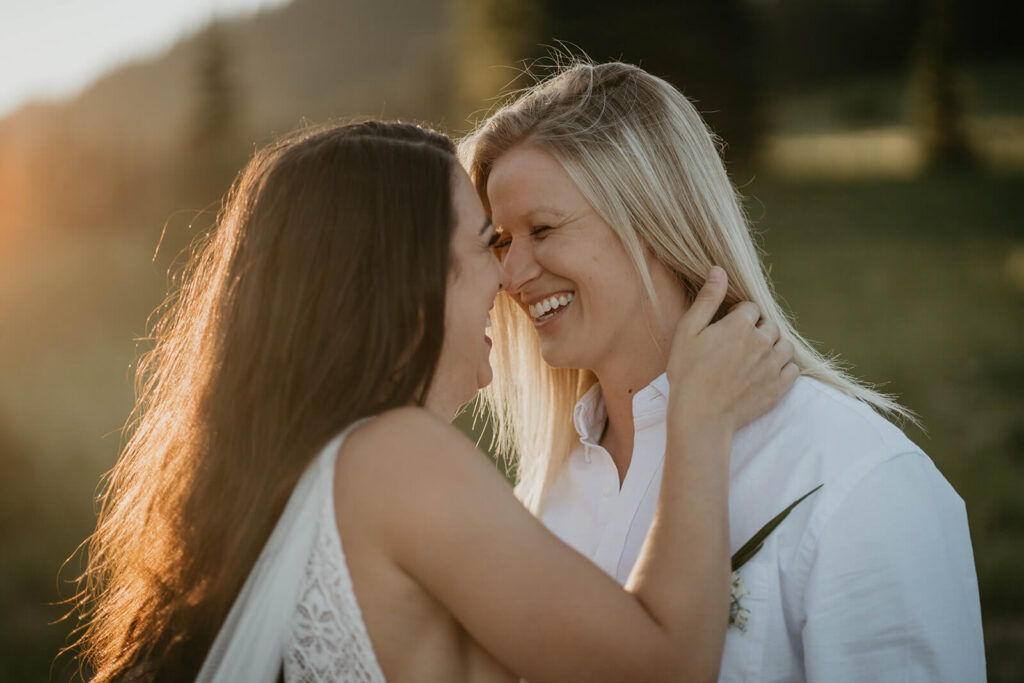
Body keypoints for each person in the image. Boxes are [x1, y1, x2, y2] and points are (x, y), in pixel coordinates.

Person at [74, 120, 796, 682]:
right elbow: (661, 670)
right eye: (489, 242)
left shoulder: (295, 476)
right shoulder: (396, 460)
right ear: (405, 273)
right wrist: (698, 417)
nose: (510, 276)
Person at [461, 60, 986, 682]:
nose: (510, 275)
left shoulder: (854, 478)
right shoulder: (542, 495)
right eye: (500, 241)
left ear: (653, 219)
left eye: (541, 230)